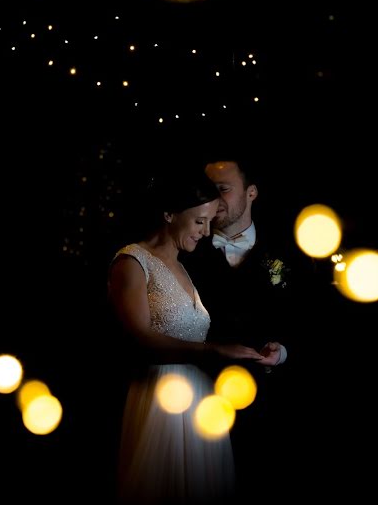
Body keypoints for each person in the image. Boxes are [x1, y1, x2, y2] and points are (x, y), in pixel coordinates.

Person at [108, 168, 268, 504]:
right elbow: (139, 337)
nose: (207, 231)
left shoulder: (184, 267)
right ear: (169, 214)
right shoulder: (132, 262)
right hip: (160, 399)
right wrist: (212, 351)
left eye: (210, 222)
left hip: (200, 400)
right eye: (199, 222)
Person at [183, 157, 308, 500]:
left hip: (276, 407)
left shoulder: (291, 250)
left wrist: (283, 351)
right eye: (209, 192)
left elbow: (312, 318)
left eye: (223, 190)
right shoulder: (185, 250)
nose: (214, 200)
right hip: (198, 399)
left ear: (251, 192)